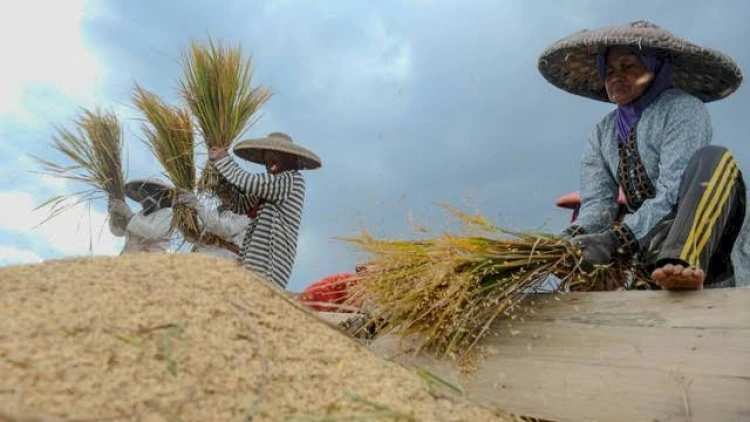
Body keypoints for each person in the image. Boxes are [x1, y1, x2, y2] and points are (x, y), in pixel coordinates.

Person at [538, 20, 749, 290]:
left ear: (654, 69)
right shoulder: (603, 133)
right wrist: (560, 243)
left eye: (629, 67)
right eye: (610, 70)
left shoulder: (683, 108)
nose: (616, 77)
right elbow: (597, 207)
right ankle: (659, 268)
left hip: (707, 236)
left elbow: (672, 192)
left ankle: (684, 261)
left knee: (716, 159)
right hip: (651, 243)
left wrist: (618, 239)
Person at [207, 132, 322, 289]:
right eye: (267, 161)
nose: (269, 165)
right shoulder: (269, 185)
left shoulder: (291, 179)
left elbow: (251, 182)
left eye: (274, 159)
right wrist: (219, 182)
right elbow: (240, 204)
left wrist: (223, 160)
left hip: (269, 264)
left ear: (288, 158)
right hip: (252, 260)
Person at [174, 183, 253, 261]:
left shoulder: (244, 218)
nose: (222, 195)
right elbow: (196, 236)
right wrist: (184, 220)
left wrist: (197, 205)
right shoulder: (218, 212)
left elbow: (220, 228)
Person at [108, 178, 174, 254]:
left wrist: (128, 214)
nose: (142, 196)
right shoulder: (138, 216)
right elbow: (118, 232)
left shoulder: (167, 215)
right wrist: (114, 213)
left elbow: (152, 232)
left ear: (160, 196)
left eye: (147, 192)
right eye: (141, 193)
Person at [298, 264, 367, 313]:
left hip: (310, 296)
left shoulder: (347, 277)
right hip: (319, 300)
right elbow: (354, 305)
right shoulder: (354, 282)